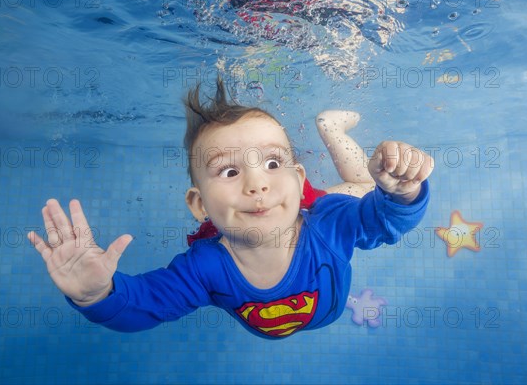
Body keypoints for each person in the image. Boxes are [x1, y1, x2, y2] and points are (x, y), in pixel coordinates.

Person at [27, 78, 433, 339]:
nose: (256, 183)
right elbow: (146, 304)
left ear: (296, 176)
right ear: (199, 204)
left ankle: (330, 127)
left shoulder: (329, 225)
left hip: (314, 208)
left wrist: (400, 193)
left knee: (363, 187)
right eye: (229, 170)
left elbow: (383, 221)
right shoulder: (205, 267)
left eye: (273, 163)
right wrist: (97, 295)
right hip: (290, 215)